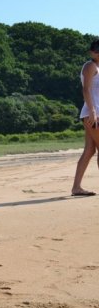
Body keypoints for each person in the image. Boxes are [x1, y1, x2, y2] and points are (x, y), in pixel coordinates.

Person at [71, 39, 99, 196]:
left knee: (89, 150)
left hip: (93, 112)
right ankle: (76, 187)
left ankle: (76, 188)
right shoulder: (90, 66)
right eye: (96, 50)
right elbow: (86, 90)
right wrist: (93, 111)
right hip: (93, 113)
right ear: (92, 52)